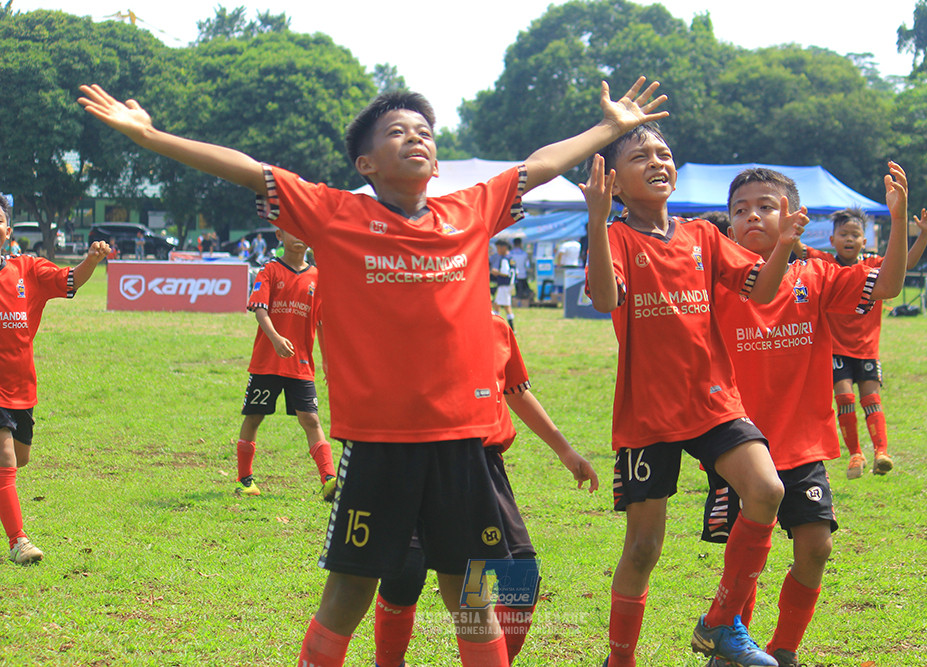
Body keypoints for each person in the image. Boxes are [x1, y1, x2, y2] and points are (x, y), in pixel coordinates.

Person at [79, 76, 668, 667]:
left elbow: (539, 164)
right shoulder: (334, 214)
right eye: (397, 132)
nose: (416, 138)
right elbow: (248, 169)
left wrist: (612, 128)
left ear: (437, 161)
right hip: (378, 445)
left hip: (463, 445)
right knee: (349, 593)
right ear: (367, 163)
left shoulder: (470, 211)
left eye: (424, 132)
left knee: (473, 598)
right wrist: (151, 137)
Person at [581, 122, 807, 667]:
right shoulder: (614, 236)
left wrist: (781, 246)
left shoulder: (704, 235)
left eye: (663, 153)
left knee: (767, 491)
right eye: (641, 157)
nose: (658, 161)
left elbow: (763, 289)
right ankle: (620, 659)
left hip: (713, 403)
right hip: (648, 412)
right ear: (613, 180)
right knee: (643, 549)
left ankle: (722, 621)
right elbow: (603, 298)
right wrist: (595, 216)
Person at [704, 164, 909, 667]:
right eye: (740, 209)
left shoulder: (815, 274)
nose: (752, 215)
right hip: (740, 445)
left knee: (815, 548)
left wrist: (900, 220)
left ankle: (785, 650)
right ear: (729, 226)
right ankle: (730, 644)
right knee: (748, 560)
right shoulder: (715, 278)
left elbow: (888, 286)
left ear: (793, 217)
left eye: (766, 206)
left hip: (803, 444)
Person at [372, 311, 599, 667]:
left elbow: (517, 393)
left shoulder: (498, 329)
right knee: (406, 575)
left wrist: (565, 450)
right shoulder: (415, 321)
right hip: (419, 458)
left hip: (484, 466)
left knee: (521, 581)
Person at [0, 193, 112, 564]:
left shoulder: (27, 269)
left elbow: (69, 282)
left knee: (20, 457)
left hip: (21, 386)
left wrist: (91, 261)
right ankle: (19, 541)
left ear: (8, 230)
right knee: (4, 457)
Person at [799, 206, 927, 478]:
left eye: (855, 234)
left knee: (872, 399)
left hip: (867, 348)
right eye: (843, 234)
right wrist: (791, 227)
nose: (849, 239)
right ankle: (855, 455)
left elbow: (905, 263)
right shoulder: (823, 262)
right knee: (845, 397)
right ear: (832, 240)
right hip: (835, 348)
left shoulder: (872, 263)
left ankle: (881, 452)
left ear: (864, 241)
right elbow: (795, 248)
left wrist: (924, 235)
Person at [234, 227, 335, 499]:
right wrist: (276, 339)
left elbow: (322, 321)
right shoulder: (269, 270)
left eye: (305, 230)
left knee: (311, 419)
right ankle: (245, 480)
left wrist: (327, 361)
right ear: (280, 236)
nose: (300, 236)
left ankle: (329, 479)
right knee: (254, 416)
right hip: (267, 362)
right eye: (293, 231)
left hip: (300, 364)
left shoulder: (317, 277)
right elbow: (259, 309)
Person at [490, 239, 516, 331]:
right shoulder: (511, 258)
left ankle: (498, 327)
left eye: (498, 248)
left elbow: (505, 273)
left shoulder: (505, 258)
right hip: (508, 285)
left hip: (504, 285)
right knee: (503, 306)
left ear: (504, 247)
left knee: (499, 305)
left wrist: (496, 272)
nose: (497, 251)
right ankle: (509, 328)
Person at [509, 236, 532, 301]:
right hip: (523, 274)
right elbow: (527, 265)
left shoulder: (511, 254)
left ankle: (518, 300)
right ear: (520, 244)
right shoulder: (524, 253)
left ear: (513, 244)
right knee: (524, 289)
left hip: (514, 274)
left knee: (518, 289)